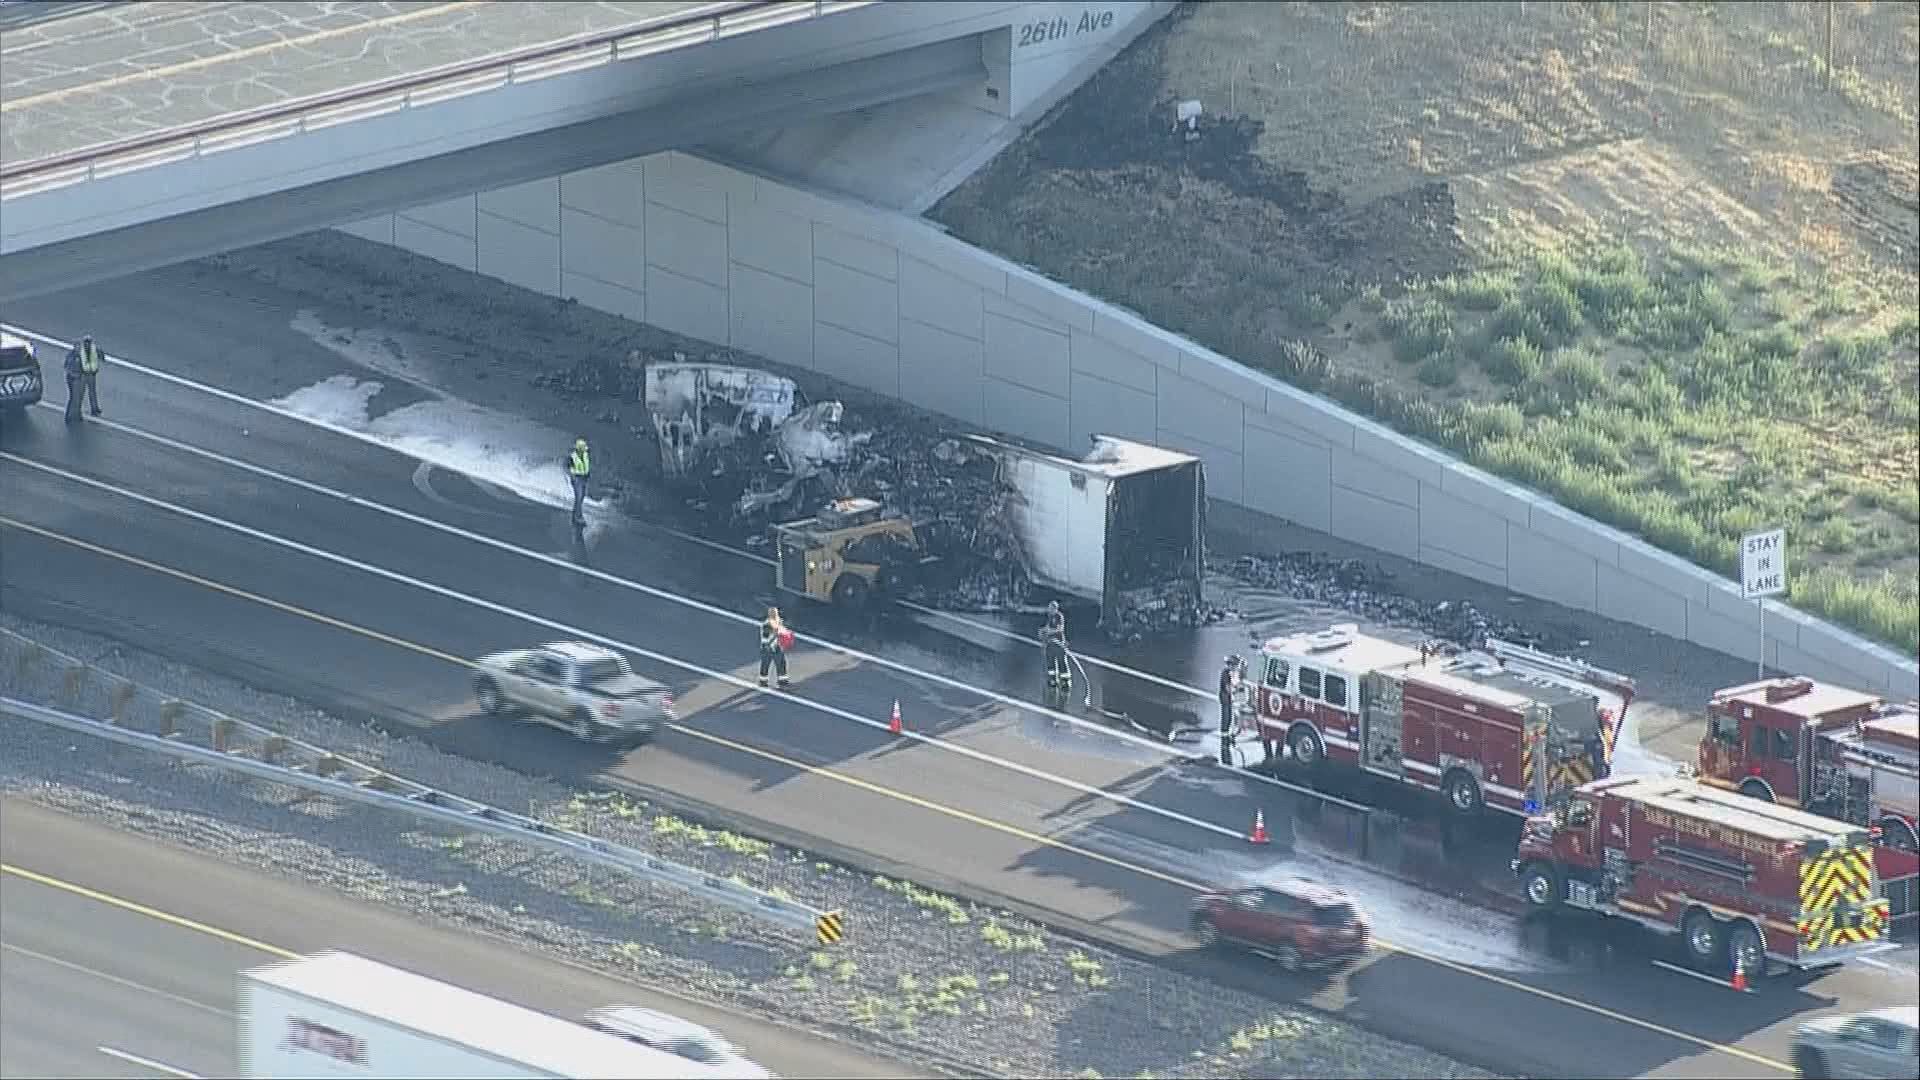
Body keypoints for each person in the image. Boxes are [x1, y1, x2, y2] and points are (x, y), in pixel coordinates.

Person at [64, 334, 104, 422]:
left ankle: (92, 410)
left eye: (89, 342)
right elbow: (67, 367)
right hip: (78, 378)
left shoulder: (93, 350)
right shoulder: (73, 355)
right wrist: (75, 375)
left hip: (89, 374)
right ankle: (71, 416)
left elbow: (101, 355)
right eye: (86, 342)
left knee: (88, 394)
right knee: (75, 398)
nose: (87, 344)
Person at [1217, 654, 1244, 766]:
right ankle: (1224, 740)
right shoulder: (1225, 673)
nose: (1235, 667)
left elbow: (1238, 682)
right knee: (1226, 716)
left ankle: (1228, 734)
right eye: (1234, 665)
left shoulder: (1233, 673)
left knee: (1232, 716)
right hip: (1225, 698)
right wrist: (1235, 690)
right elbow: (1228, 688)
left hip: (1231, 698)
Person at [1040, 601, 1070, 689]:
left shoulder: (1059, 616)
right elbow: (1047, 626)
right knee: (1050, 662)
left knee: (1062, 662)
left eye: (1051, 608)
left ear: (1055, 609)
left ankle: (1065, 681)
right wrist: (1043, 630)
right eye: (1049, 608)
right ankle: (1052, 680)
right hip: (1050, 644)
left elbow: (1060, 629)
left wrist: (1049, 632)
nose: (1049, 610)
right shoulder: (1050, 616)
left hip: (1059, 643)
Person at [759, 606, 790, 688]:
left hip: (777, 647)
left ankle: (782, 681)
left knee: (781, 664)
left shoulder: (778, 622)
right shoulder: (767, 624)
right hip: (768, 648)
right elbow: (766, 637)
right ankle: (763, 681)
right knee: (766, 665)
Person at [565, 437, 590, 527]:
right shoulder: (573, 456)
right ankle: (577, 517)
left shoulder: (584, 455)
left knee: (581, 497)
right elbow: (568, 467)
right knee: (579, 498)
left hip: (582, 479)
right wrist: (573, 477)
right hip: (576, 479)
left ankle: (577, 517)